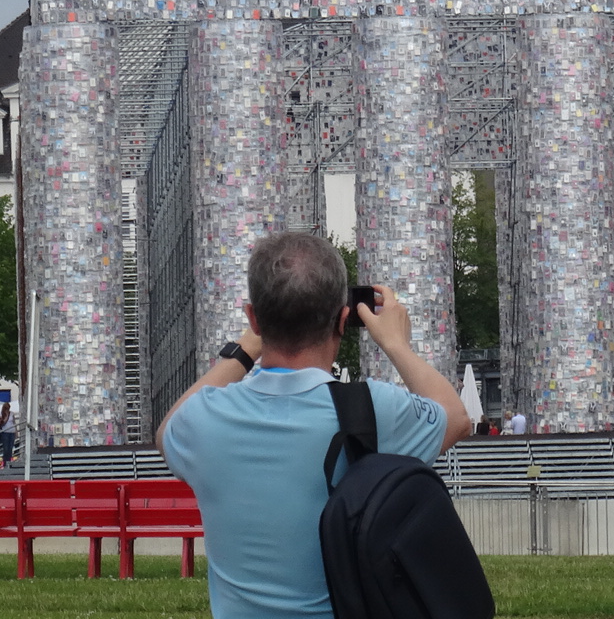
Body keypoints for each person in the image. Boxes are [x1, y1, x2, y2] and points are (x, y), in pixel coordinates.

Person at [159, 232, 469, 619]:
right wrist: (396, 344)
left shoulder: (203, 418)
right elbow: (456, 417)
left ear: (253, 319)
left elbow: (166, 431)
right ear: (343, 319)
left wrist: (244, 350)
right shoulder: (374, 408)